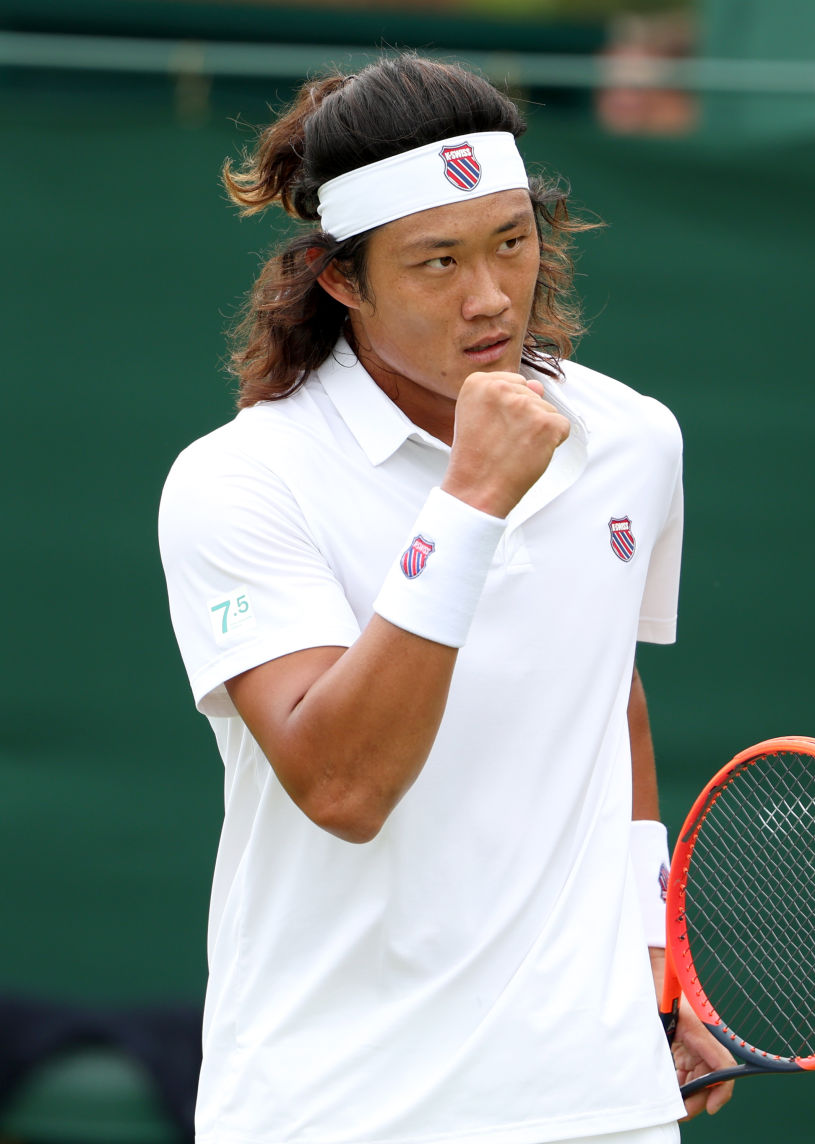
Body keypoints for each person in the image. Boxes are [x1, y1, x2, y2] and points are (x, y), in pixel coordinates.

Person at [158, 52, 733, 1144]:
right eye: (437, 261)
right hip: (337, 1110)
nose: (491, 297)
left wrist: (655, 961)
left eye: (512, 241)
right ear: (341, 280)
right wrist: (469, 504)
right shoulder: (238, 481)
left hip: (599, 1101)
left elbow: (607, 695)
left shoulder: (635, 439)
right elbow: (344, 784)